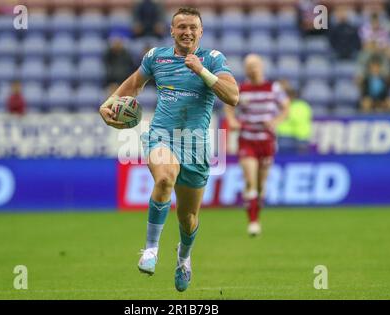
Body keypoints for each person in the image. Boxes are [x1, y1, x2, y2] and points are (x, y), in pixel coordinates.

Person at [99, 7, 239, 292]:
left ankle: (184, 258)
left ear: (201, 32)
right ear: (172, 31)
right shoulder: (156, 57)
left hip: (196, 147)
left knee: (187, 219)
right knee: (164, 178)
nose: (187, 31)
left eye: (192, 27)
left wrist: (201, 72)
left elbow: (233, 97)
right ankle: (151, 249)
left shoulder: (213, 60)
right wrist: (108, 103)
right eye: (181, 27)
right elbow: (134, 85)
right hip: (162, 136)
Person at [223, 54, 289, 236]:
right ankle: (252, 222)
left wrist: (276, 121)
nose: (252, 68)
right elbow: (228, 106)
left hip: (266, 141)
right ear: (245, 69)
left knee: (261, 186)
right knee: (250, 180)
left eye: (255, 65)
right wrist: (232, 120)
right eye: (249, 65)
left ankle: (256, 214)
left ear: (262, 66)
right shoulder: (240, 88)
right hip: (247, 139)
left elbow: (286, 106)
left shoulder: (273, 88)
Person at [276, 80, 312, 154]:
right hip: (289, 138)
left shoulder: (300, 106)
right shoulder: (303, 105)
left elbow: (292, 117)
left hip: (295, 139)